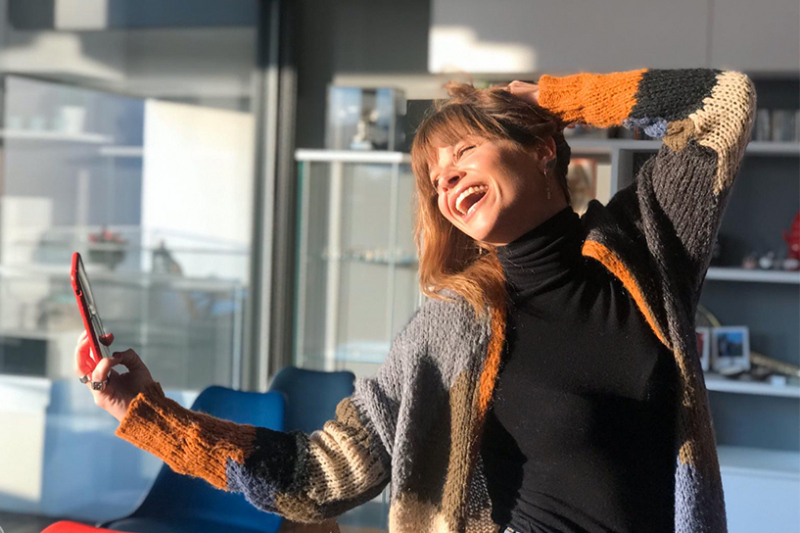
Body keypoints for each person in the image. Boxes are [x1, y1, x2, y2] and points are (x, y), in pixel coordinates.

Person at [75, 68, 757, 533]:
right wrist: (151, 415)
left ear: (542, 147)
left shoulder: (644, 248)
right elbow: (318, 474)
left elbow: (722, 105)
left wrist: (559, 95)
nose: (447, 180)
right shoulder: (448, 330)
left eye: (464, 150)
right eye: (435, 180)